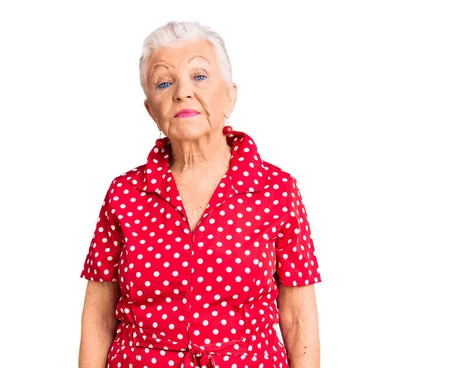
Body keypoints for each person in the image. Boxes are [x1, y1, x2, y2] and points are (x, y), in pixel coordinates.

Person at [78, 20, 322, 368]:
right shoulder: (124, 194)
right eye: (164, 82)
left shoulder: (277, 190)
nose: (182, 92)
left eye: (200, 76)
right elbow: (98, 320)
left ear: (230, 95)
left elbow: (298, 319)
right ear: (151, 110)